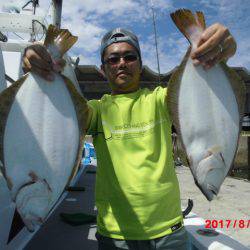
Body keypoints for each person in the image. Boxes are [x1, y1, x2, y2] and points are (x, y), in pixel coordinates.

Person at [22, 22, 236, 249]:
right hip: (115, 236)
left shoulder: (161, 101)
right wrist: (38, 61)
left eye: (129, 56)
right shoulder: (97, 110)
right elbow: (68, 116)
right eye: (113, 59)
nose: (121, 63)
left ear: (141, 65)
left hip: (169, 232)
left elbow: (197, 95)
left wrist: (221, 53)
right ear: (103, 69)